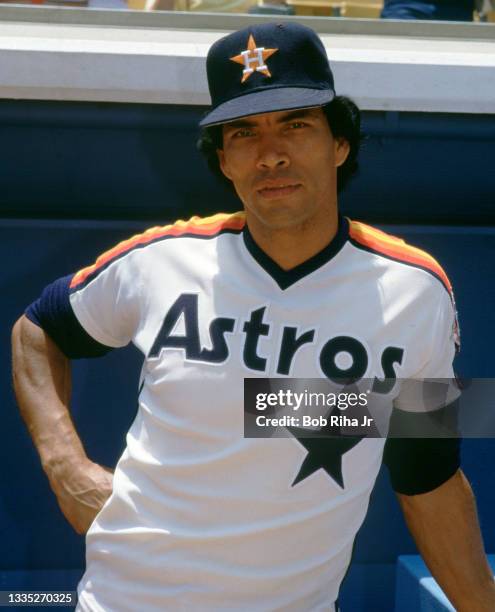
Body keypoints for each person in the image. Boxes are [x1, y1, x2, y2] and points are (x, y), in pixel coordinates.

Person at [11, 22, 495, 612]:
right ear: (223, 159)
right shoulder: (159, 260)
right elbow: (36, 329)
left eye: (296, 124)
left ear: (340, 143)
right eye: (243, 132)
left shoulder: (418, 290)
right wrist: (66, 467)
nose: (272, 154)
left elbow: (427, 471)